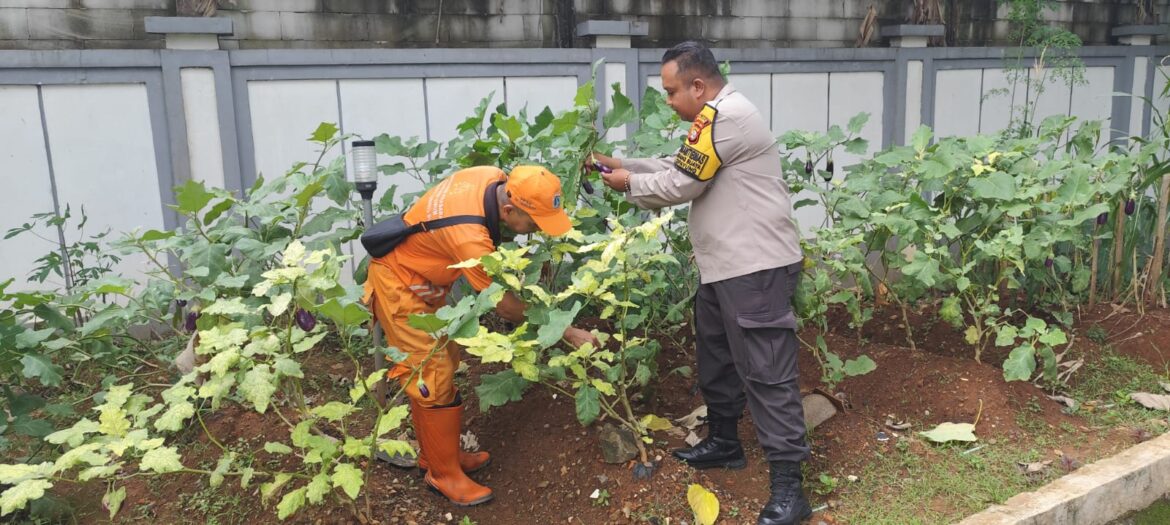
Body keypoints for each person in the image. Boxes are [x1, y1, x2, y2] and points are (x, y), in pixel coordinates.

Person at [593, 41, 810, 525]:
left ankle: (790, 489)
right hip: (725, 267)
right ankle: (725, 443)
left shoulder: (725, 117)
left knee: (766, 370)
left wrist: (627, 183)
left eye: (671, 91)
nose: (667, 100)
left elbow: (683, 186)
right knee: (717, 355)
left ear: (698, 85)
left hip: (754, 267)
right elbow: (678, 167)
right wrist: (622, 165)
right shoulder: (712, 118)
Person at [363, 164, 598, 507]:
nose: (535, 232)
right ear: (508, 209)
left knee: (446, 362)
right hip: (399, 284)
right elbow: (503, 306)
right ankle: (442, 475)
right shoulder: (468, 236)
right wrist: (566, 331)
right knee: (432, 371)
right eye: (533, 224)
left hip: (426, 282)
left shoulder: (492, 177)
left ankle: (439, 456)